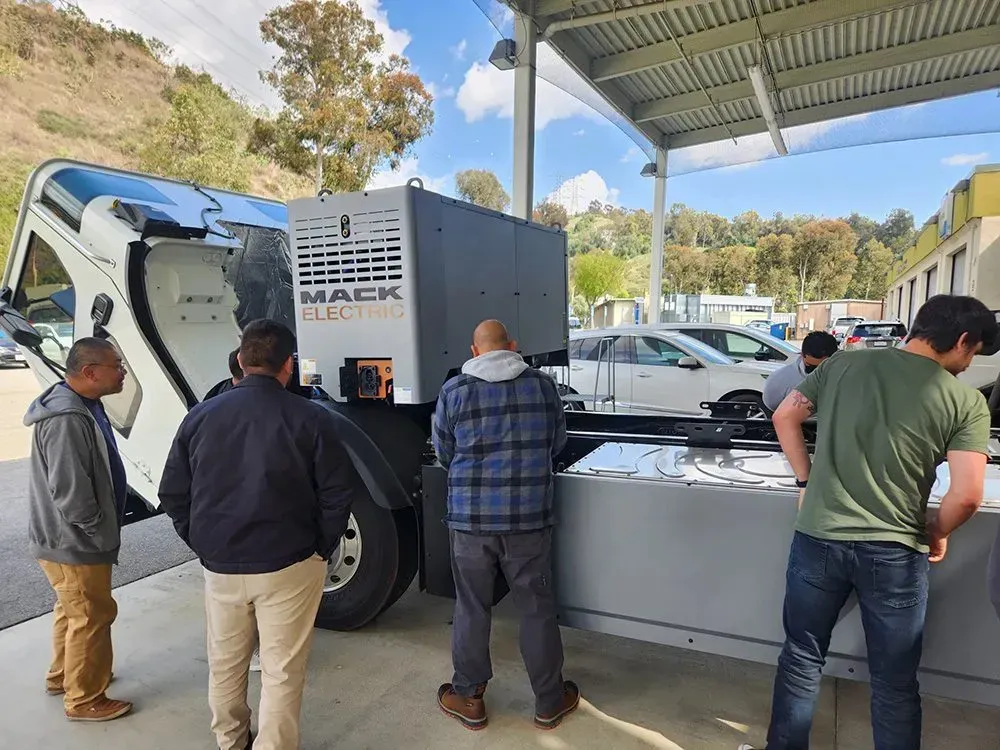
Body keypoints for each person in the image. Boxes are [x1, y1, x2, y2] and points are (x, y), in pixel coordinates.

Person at [740, 295, 997, 750]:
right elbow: (968, 494)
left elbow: (785, 415)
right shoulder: (965, 402)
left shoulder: (843, 366)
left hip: (818, 538)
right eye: (973, 352)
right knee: (894, 682)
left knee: (801, 657)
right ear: (961, 341)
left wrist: (806, 481)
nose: (968, 363)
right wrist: (937, 530)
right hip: (896, 553)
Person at [158, 319, 363, 750]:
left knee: (226, 664)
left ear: (241, 360)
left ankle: (231, 741)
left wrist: (204, 543)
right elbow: (337, 493)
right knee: (282, 671)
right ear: (289, 364)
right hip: (290, 564)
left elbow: (173, 493)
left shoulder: (201, 416)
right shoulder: (312, 418)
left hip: (222, 565)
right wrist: (319, 549)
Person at [433, 319, 578, 731]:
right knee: (536, 610)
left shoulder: (454, 390)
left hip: (470, 521)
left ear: (474, 351)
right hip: (529, 520)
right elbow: (558, 443)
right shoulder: (543, 386)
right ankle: (550, 702)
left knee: (472, 608)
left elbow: (445, 452)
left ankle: (469, 698)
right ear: (513, 346)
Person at [23, 337, 132, 722]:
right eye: (115, 365)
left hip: (65, 538)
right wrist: (96, 530)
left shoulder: (84, 405)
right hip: (74, 540)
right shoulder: (67, 418)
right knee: (91, 615)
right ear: (89, 372)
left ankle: (63, 677)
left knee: (72, 611)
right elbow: (70, 491)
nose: (122, 372)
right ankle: (85, 699)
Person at [761, 331, 839, 414]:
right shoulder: (780, 379)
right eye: (810, 366)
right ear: (802, 354)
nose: (816, 373)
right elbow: (772, 407)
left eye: (822, 368)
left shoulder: (845, 376)